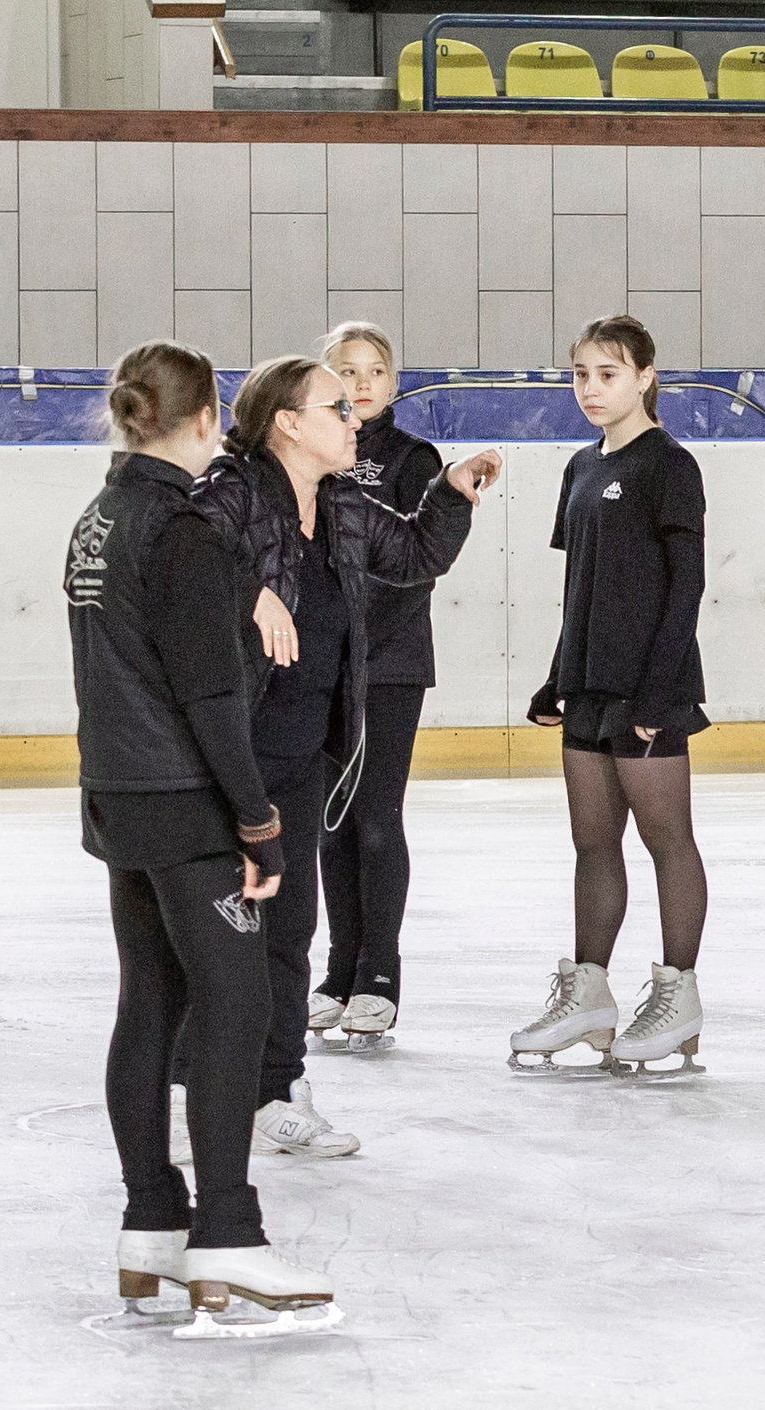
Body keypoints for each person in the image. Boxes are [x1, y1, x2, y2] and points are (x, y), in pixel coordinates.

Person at [70, 340, 339, 1336]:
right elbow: (209, 689)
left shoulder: (99, 517)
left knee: (151, 998)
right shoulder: (180, 527)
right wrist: (258, 820)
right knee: (234, 997)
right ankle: (225, 1228)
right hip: (184, 800)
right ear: (205, 416)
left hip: (118, 793)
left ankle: (152, 1221)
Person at [192, 355, 499, 1153]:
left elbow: (413, 559)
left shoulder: (345, 501)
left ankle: (274, 1090)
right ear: (288, 424)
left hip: (303, 754)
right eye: (336, 405)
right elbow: (173, 565)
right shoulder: (228, 492)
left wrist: (450, 494)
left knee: (289, 932)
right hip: (225, 756)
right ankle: (193, 1091)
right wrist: (244, 590)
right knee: (216, 934)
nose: (354, 414)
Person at [508, 316, 713, 1075]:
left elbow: (685, 589)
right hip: (588, 686)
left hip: (647, 689)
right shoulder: (579, 468)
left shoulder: (670, 466)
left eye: (609, 373)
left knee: (666, 842)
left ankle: (678, 993)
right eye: (582, 374)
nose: (592, 388)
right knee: (592, 843)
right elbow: (581, 587)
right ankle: (588, 994)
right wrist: (559, 674)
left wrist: (657, 695)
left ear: (645, 377)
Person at [307, 321, 446, 1054]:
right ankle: (338, 971)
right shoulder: (312, 449)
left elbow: (413, 565)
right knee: (332, 819)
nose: (361, 384)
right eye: (345, 371)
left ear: (394, 383)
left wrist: (355, 634)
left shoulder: (410, 458)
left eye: (375, 371)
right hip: (322, 665)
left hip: (387, 663)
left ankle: (379, 978)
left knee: (376, 816)